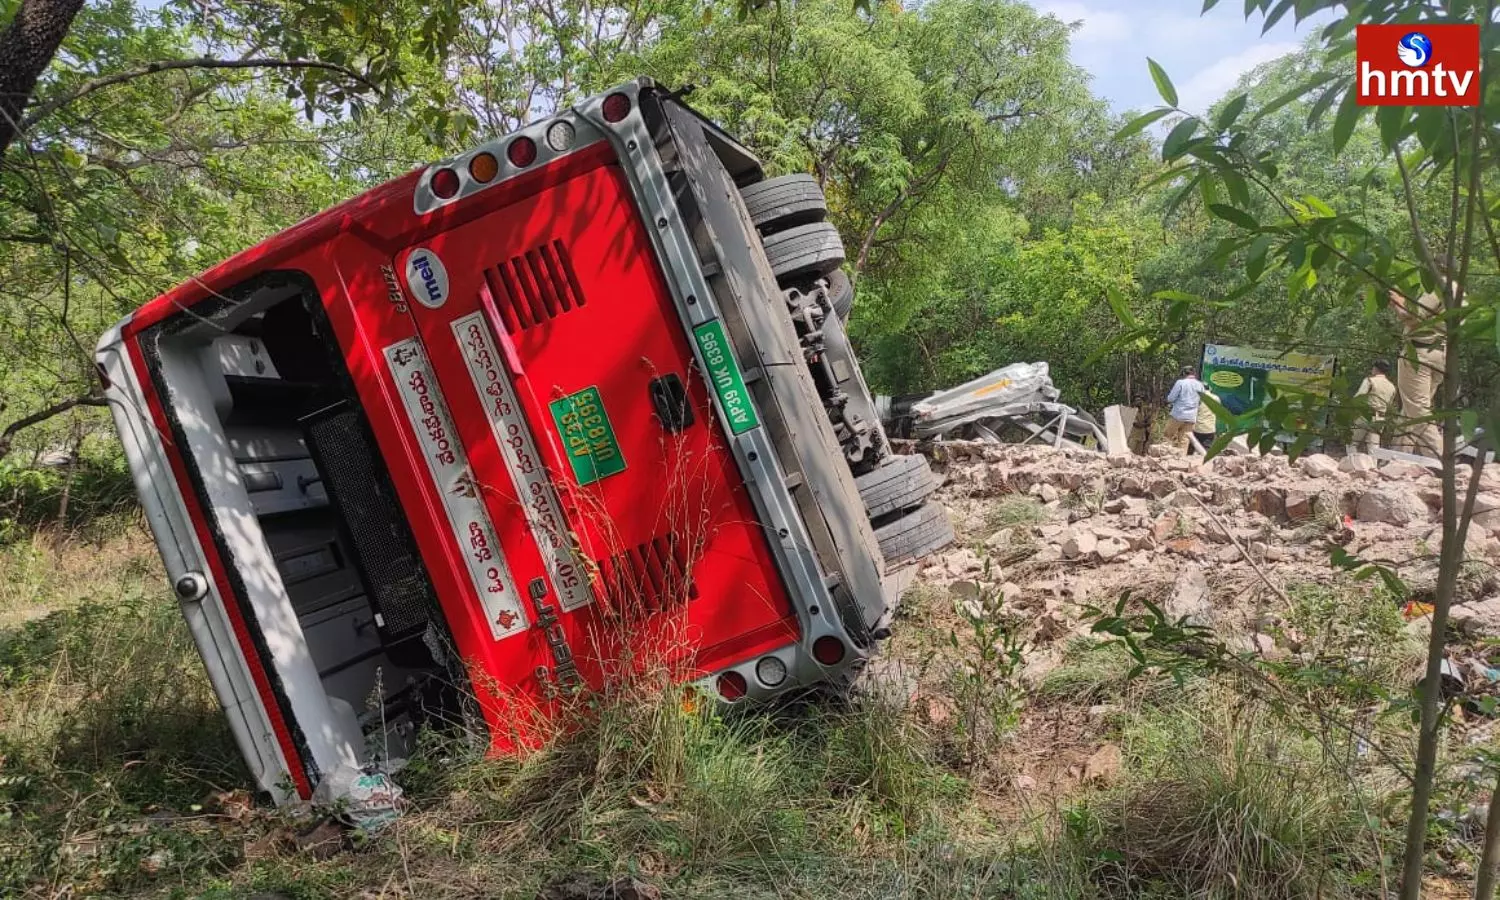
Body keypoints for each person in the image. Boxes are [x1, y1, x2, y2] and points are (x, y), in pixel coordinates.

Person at [1388, 279, 1447, 457]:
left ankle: (1439, 458)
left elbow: (1413, 317)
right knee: (1411, 408)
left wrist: (1398, 302)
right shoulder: (1461, 292)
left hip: (1419, 353)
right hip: (1442, 353)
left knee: (1418, 409)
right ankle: (1398, 455)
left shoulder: (1438, 287)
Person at [1351, 360, 1396, 454]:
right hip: (1380, 418)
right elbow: (1389, 404)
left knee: (1352, 443)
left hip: (1365, 416)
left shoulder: (1369, 381)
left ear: (1375, 369)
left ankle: (1353, 465)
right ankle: (1373, 467)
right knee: (1374, 448)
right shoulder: (1392, 386)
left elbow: (1358, 398)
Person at [1163, 365, 1207, 454]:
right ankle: (1181, 461)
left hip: (1178, 415)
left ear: (1183, 373)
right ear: (1194, 374)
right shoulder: (1200, 385)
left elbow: (1171, 398)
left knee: (1167, 436)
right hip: (1191, 417)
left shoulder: (1180, 383)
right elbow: (1201, 401)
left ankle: (1165, 456)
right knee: (1184, 440)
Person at [1191, 388, 1219, 454]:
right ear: (1210, 389)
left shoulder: (1196, 398)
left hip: (1197, 428)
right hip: (1210, 429)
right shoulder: (1216, 398)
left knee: (1191, 448)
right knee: (1206, 448)